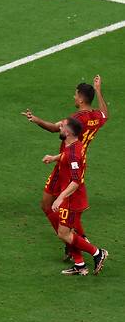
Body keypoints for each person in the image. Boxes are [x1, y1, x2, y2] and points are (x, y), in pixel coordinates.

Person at [22, 76, 109, 258]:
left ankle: (76, 245)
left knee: (55, 205)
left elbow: (55, 128)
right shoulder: (95, 117)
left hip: (67, 164)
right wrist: (98, 90)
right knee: (49, 205)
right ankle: (74, 241)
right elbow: (105, 114)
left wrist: (36, 120)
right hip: (74, 160)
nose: (74, 97)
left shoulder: (76, 119)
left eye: (76, 95)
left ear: (81, 98)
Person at [41, 117, 108, 275]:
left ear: (69, 132)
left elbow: (76, 181)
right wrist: (53, 158)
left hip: (72, 198)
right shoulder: (73, 145)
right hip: (71, 196)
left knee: (64, 233)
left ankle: (98, 253)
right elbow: (65, 155)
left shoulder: (73, 153)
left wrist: (60, 197)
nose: (59, 127)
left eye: (62, 126)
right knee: (66, 233)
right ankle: (80, 265)